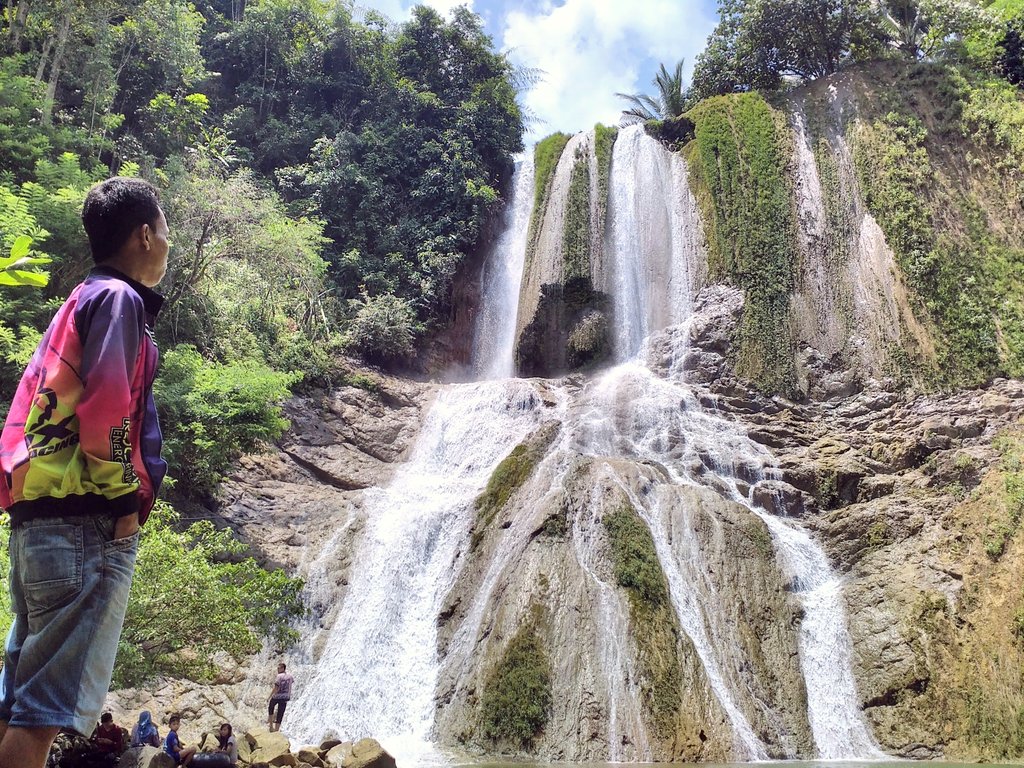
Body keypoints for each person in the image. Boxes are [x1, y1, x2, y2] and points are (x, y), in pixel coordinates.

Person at [0, 176, 170, 768]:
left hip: (37, 517)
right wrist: (124, 500)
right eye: (165, 230)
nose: (167, 245)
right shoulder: (120, 301)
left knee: (18, 703)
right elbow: (106, 410)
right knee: (44, 713)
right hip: (84, 522)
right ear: (145, 235)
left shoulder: (78, 300)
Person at [266, 662, 294, 732]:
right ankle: (277, 730)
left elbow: (276, 687)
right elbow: (291, 683)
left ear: (283, 668)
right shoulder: (290, 676)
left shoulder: (279, 676)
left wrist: (270, 696)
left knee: (271, 707)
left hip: (277, 696)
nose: (277, 669)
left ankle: (271, 726)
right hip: (285, 697)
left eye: (278, 668)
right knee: (280, 713)